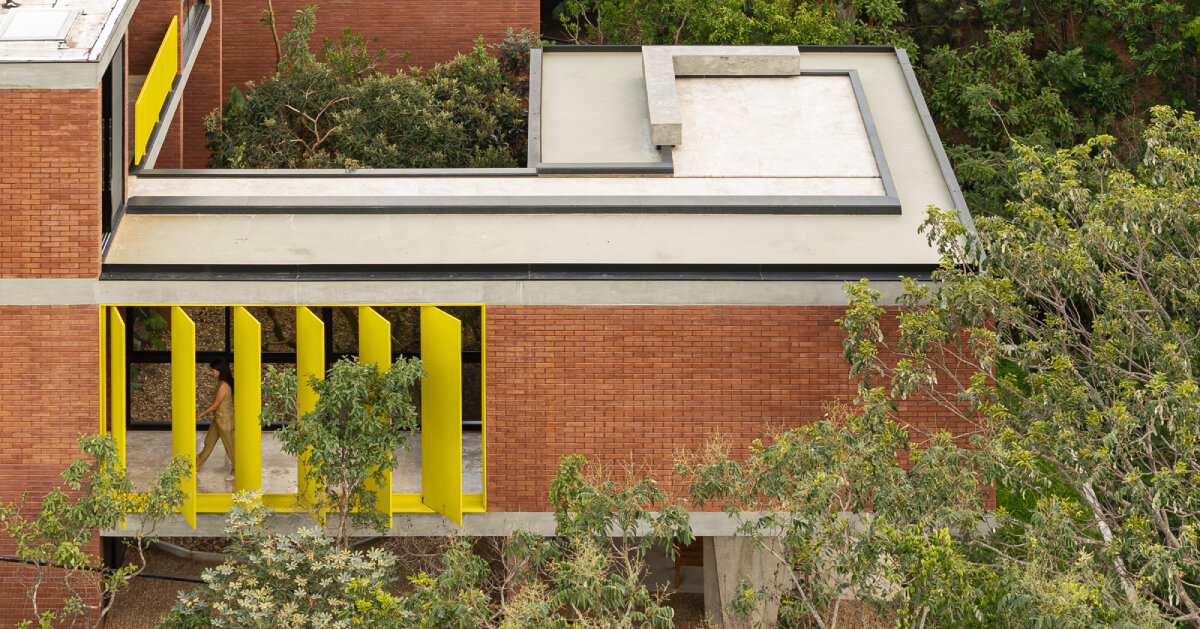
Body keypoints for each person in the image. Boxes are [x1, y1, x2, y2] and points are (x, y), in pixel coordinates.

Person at [197, 358, 235, 482]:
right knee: (209, 442)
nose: (211, 373)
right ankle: (196, 466)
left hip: (225, 422)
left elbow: (215, 405)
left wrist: (200, 414)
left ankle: (237, 470)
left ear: (220, 371)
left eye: (213, 371)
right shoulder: (221, 382)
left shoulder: (224, 386)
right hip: (218, 419)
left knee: (230, 448)